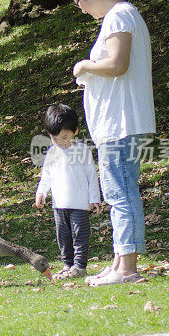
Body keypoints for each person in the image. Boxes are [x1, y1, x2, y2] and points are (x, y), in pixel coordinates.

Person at [68, 0, 156, 286]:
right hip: (117, 123)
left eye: (79, 2)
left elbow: (118, 64)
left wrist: (85, 66)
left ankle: (128, 269)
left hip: (121, 123)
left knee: (120, 193)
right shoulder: (120, 16)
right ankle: (120, 261)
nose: (81, 10)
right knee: (118, 191)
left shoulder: (120, 15)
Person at [35, 103, 101, 280]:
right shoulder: (52, 152)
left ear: (75, 131)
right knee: (63, 236)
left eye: (64, 137)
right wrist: (41, 193)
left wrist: (94, 198)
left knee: (80, 234)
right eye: (54, 138)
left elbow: (91, 175)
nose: (60, 142)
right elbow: (46, 176)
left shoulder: (82, 150)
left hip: (80, 204)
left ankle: (80, 266)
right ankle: (68, 264)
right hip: (59, 205)